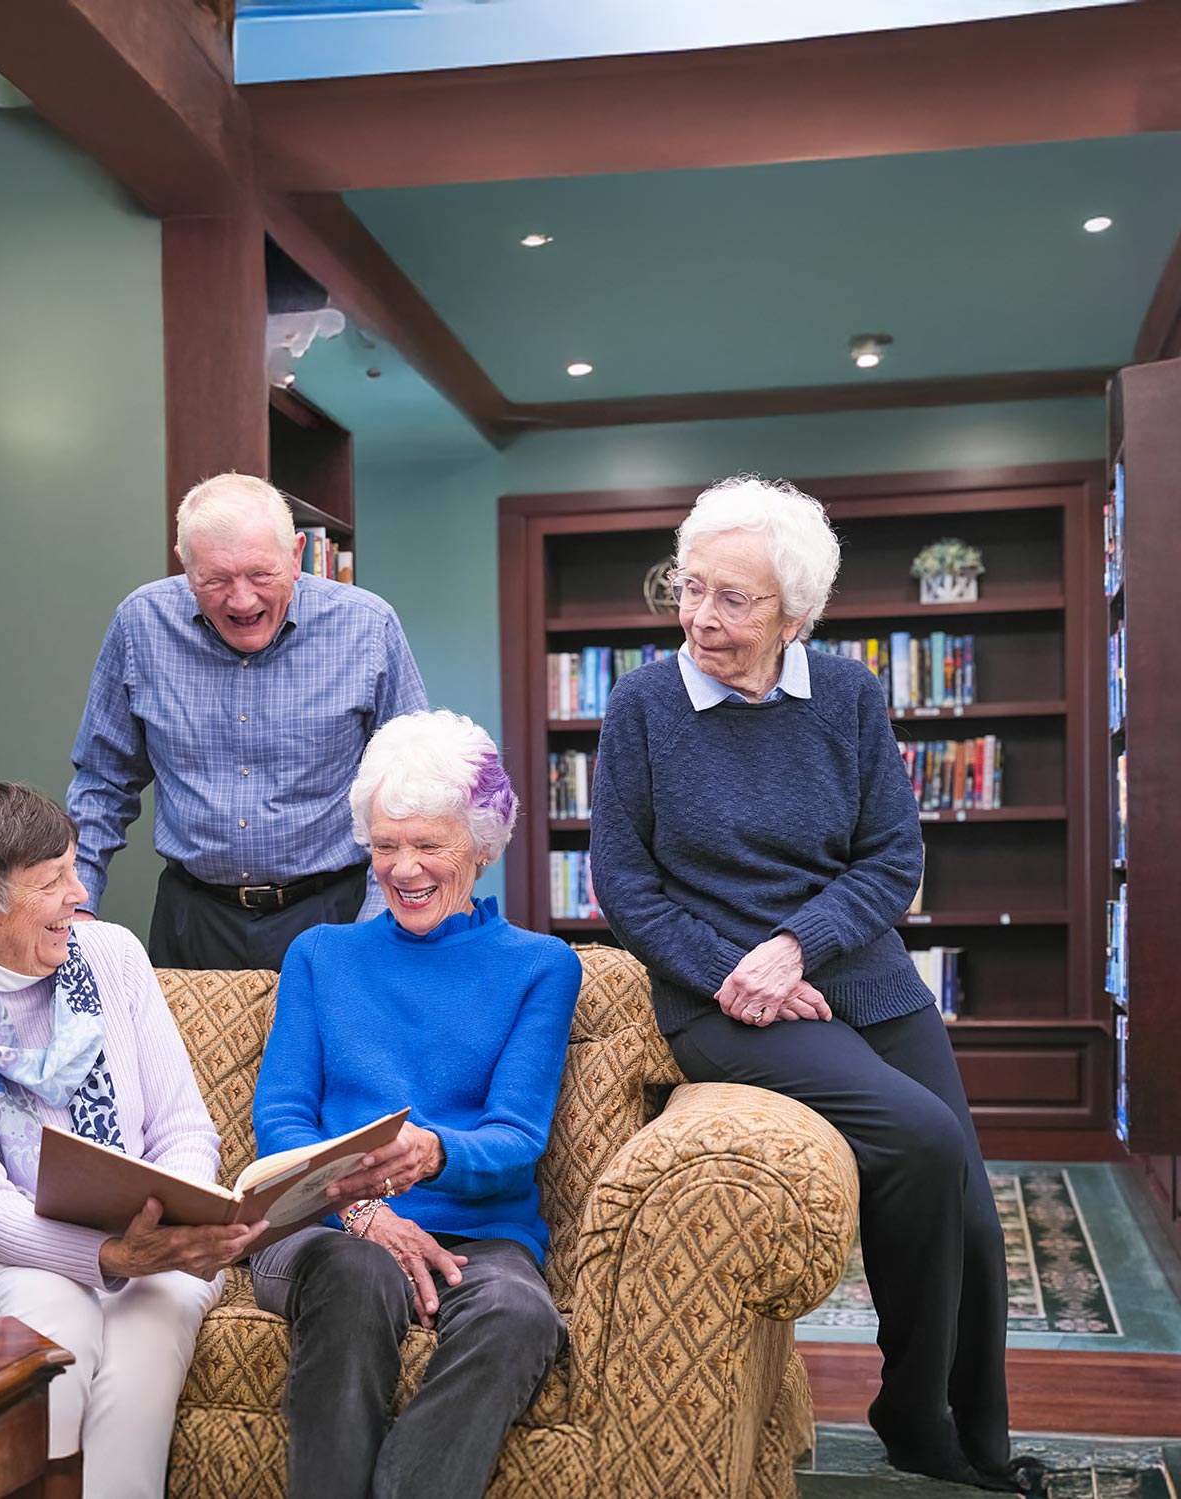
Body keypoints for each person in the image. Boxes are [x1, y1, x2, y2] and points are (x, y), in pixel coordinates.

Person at [589, 477, 1048, 1497]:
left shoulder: (845, 694)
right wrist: (730, 968)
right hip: (719, 1003)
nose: (702, 615)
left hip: (861, 978)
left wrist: (797, 942)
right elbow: (622, 883)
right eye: (690, 585)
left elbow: (891, 857)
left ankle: (969, 1437)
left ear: (794, 615)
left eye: (733, 599)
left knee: (973, 1208)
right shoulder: (643, 703)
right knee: (919, 1141)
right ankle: (914, 1415)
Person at [0, 782, 266, 1499]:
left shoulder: (112, 955)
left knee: (161, 1303)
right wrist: (110, 1256)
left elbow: (182, 1126)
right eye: (51, 881)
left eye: (73, 868)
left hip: (141, 1232)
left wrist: (175, 1224)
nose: (79, 894)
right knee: (58, 1309)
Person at [249, 710, 579, 1499]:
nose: (403, 868)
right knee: (360, 1273)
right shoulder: (320, 955)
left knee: (518, 1314)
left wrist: (435, 1152)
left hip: (481, 1232)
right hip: (325, 1227)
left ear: (481, 846)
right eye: (385, 844)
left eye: (428, 844)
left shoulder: (540, 966)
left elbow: (515, 1134)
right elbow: (282, 1118)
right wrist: (359, 1210)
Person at [66, 472, 428, 970]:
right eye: (215, 580)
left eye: (261, 575)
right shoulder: (140, 625)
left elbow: (411, 791)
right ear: (186, 567)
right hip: (191, 917)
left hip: (335, 913)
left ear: (296, 554)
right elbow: (103, 783)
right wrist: (75, 906)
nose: (241, 600)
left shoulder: (367, 628)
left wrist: (375, 928)